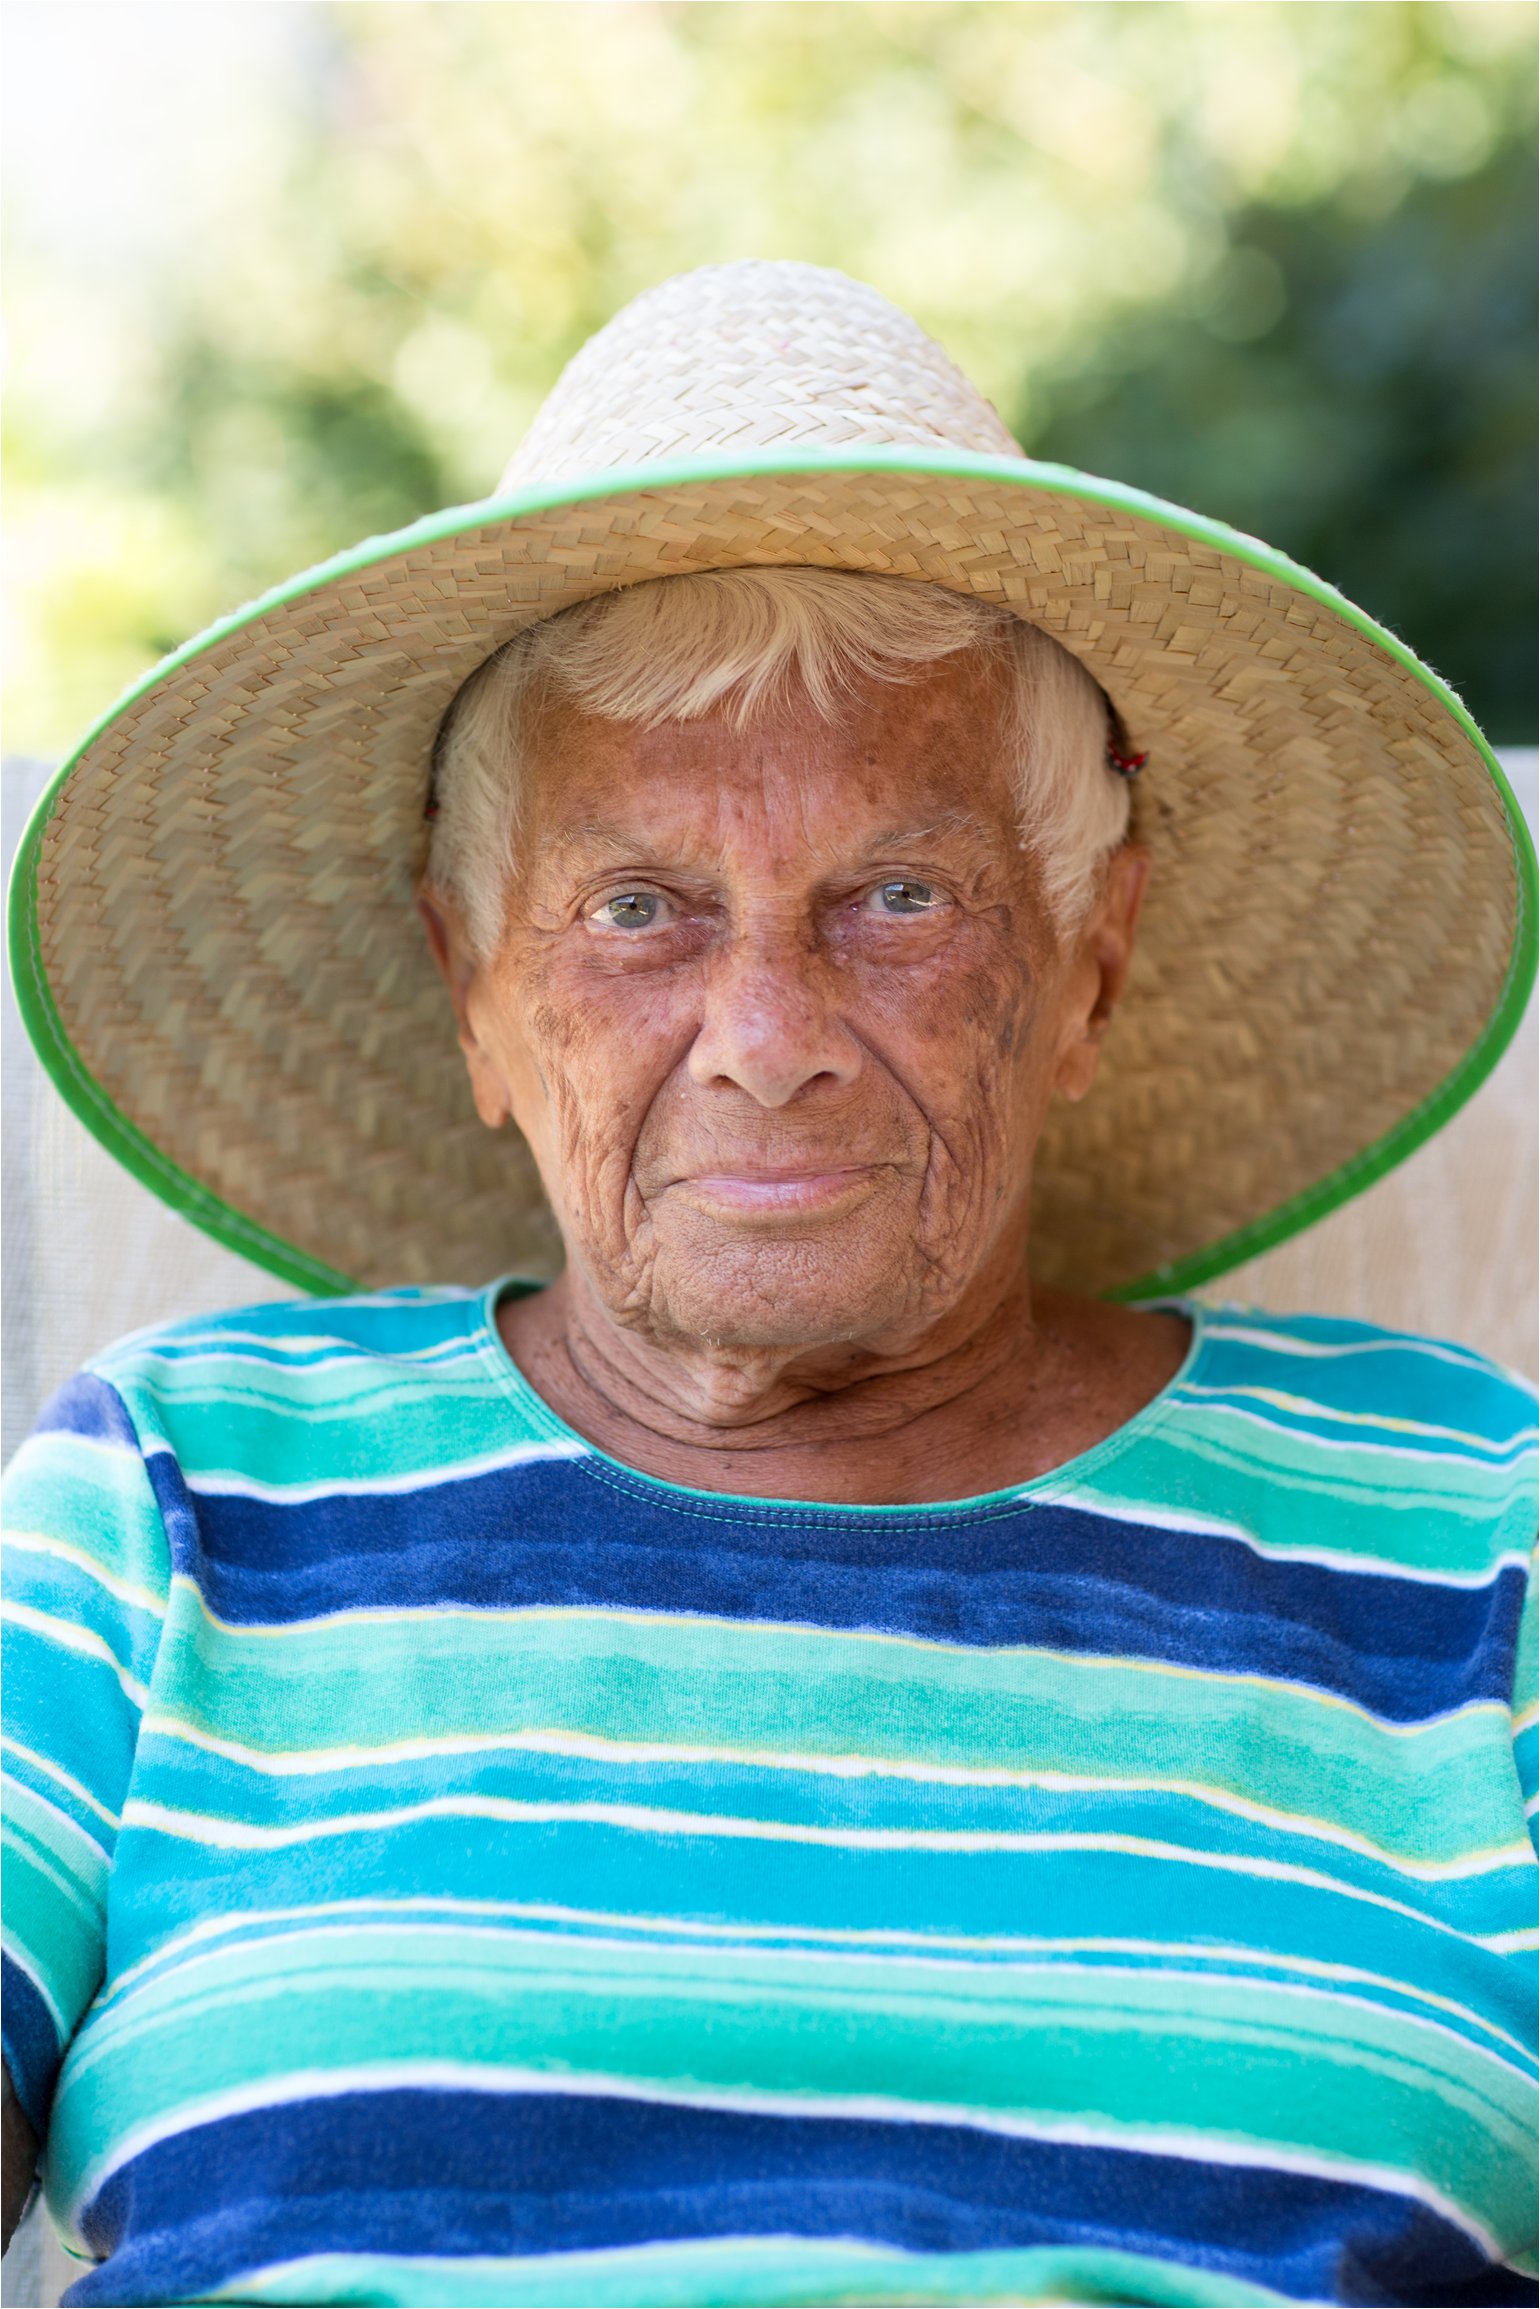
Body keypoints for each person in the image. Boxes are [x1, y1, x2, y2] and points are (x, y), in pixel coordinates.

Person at [2, 262, 1534, 2309]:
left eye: (899, 898)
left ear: (1087, 954)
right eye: (637, 909)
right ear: (472, 992)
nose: (763, 1032)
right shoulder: (183, 1481)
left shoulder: (1464, 1513)